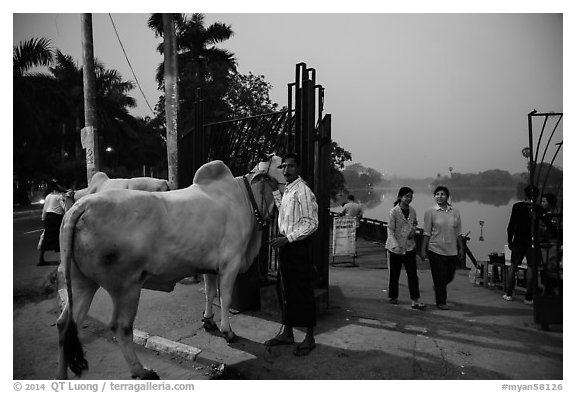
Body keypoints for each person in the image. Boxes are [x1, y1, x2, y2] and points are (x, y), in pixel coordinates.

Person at [266, 153, 319, 357]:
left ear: (298, 168)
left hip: (298, 247)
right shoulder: (289, 190)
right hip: (287, 246)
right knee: (285, 291)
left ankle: (310, 337)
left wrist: (287, 239)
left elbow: (311, 223)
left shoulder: (304, 191)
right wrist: (275, 192)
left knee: (302, 291)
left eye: (290, 166)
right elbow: (285, 212)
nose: (286, 170)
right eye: (284, 166)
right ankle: (287, 333)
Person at [420, 186, 464, 310]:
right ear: (434, 196)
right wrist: (423, 249)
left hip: (452, 250)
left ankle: (439, 287)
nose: (439, 196)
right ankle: (441, 301)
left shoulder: (455, 211)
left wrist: (461, 248)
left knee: (449, 275)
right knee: (439, 276)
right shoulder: (430, 212)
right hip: (436, 249)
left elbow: (458, 231)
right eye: (437, 194)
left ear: (447, 196)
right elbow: (426, 232)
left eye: (442, 194)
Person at [385, 187, 426, 310]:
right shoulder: (394, 211)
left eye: (410, 196)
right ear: (400, 197)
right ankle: (393, 296)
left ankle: (415, 300)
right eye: (406, 196)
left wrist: (413, 231)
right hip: (395, 248)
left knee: (412, 274)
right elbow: (390, 229)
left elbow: (414, 223)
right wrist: (395, 245)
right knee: (394, 273)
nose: (409, 198)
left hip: (409, 247)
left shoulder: (412, 211)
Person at [502, 185, 540, 305]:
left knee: (513, 266)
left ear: (525, 195)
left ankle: (509, 294)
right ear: (537, 196)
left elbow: (511, 225)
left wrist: (509, 240)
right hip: (532, 242)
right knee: (531, 267)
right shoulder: (538, 208)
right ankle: (528, 297)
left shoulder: (517, 206)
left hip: (518, 240)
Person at [38, 179, 66, 266]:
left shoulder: (48, 196)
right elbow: (64, 207)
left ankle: (41, 259)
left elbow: (45, 209)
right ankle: (63, 260)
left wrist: (43, 218)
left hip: (48, 218)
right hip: (56, 218)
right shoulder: (59, 196)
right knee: (60, 237)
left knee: (46, 237)